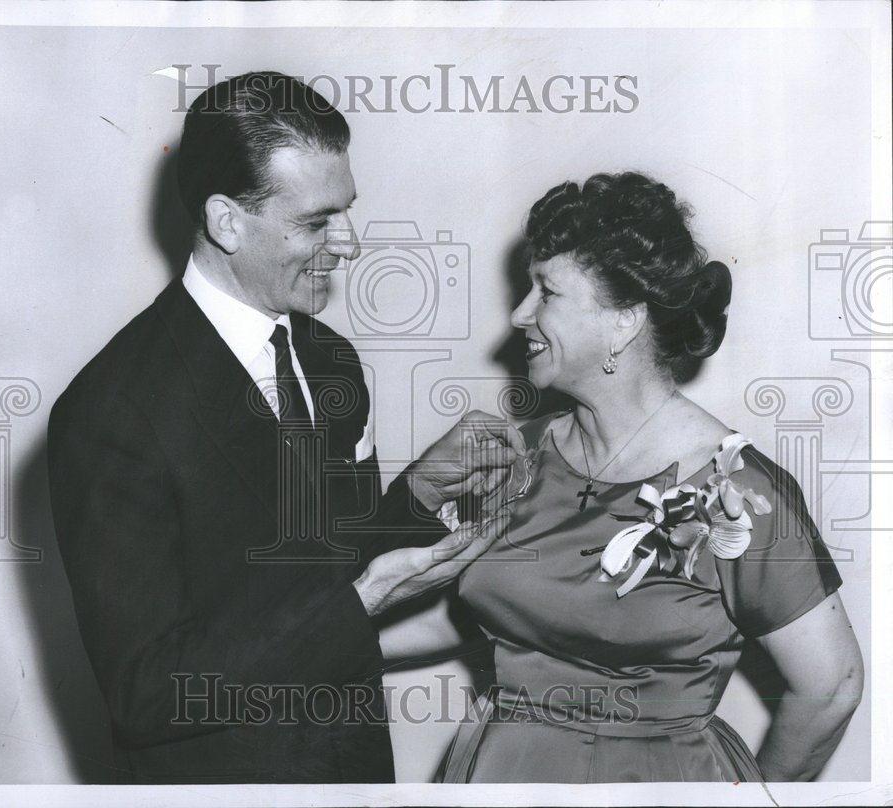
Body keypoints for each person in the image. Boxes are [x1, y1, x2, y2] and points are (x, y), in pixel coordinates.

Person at [46, 71, 519, 785]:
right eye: (316, 222)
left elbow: (332, 562)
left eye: (345, 211)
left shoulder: (331, 363)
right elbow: (146, 693)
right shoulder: (109, 412)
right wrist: (360, 604)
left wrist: (419, 492)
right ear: (225, 221)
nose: (348, 244)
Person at [437, 172, 863, 783]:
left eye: (546, 292)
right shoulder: (516, 457)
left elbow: (832, 685)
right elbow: (461, 604)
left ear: (624, 321)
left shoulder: (736, 492)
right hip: (503, 771)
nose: (519, 313)